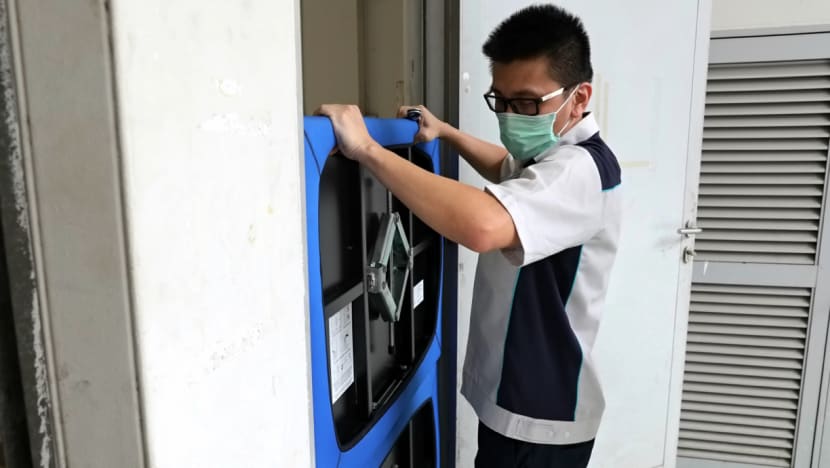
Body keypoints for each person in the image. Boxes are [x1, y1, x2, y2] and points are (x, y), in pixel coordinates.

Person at [316, 4, 621, 467]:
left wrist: (367, 150)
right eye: (501, 100)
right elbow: (506, 166)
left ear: (579, 98)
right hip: (519, 400)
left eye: (527, 103)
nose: (512, 116)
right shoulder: (553, 154)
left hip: (541, 416)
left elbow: (483, 226)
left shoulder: (581, 169)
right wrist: (447, 134)